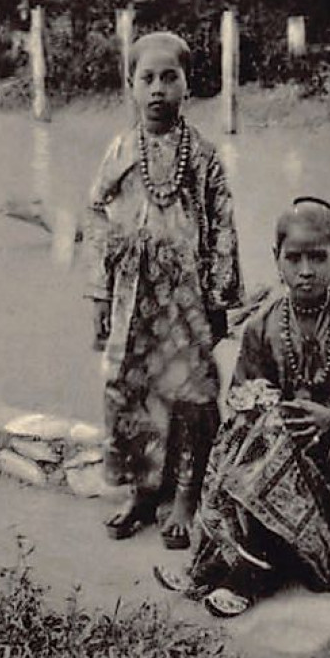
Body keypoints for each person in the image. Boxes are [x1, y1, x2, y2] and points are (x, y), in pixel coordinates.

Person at [154, 196, 330, 616]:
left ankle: (247, 578)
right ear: (277, 260)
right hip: (276, 449)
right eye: (294, 258)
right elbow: (241, 394)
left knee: (275, 459)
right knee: (241, 444)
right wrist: (260, 403)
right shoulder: (263, 327)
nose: (305, 270)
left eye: (317, 258)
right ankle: (209, 563)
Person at [85, 31, 244, 548]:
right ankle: (141, 490)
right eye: (147, 78)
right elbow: (98, 217)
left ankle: (186, 495)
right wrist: (100, 295)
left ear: (187, 86)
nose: (158, 89)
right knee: (130, 390)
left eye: (169, 77)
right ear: (130, 87)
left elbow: (222, 226)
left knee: (191, 394)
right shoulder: (118, 150)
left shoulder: (201, 156)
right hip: (133, 294)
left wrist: (221, 300)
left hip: (186, 298)